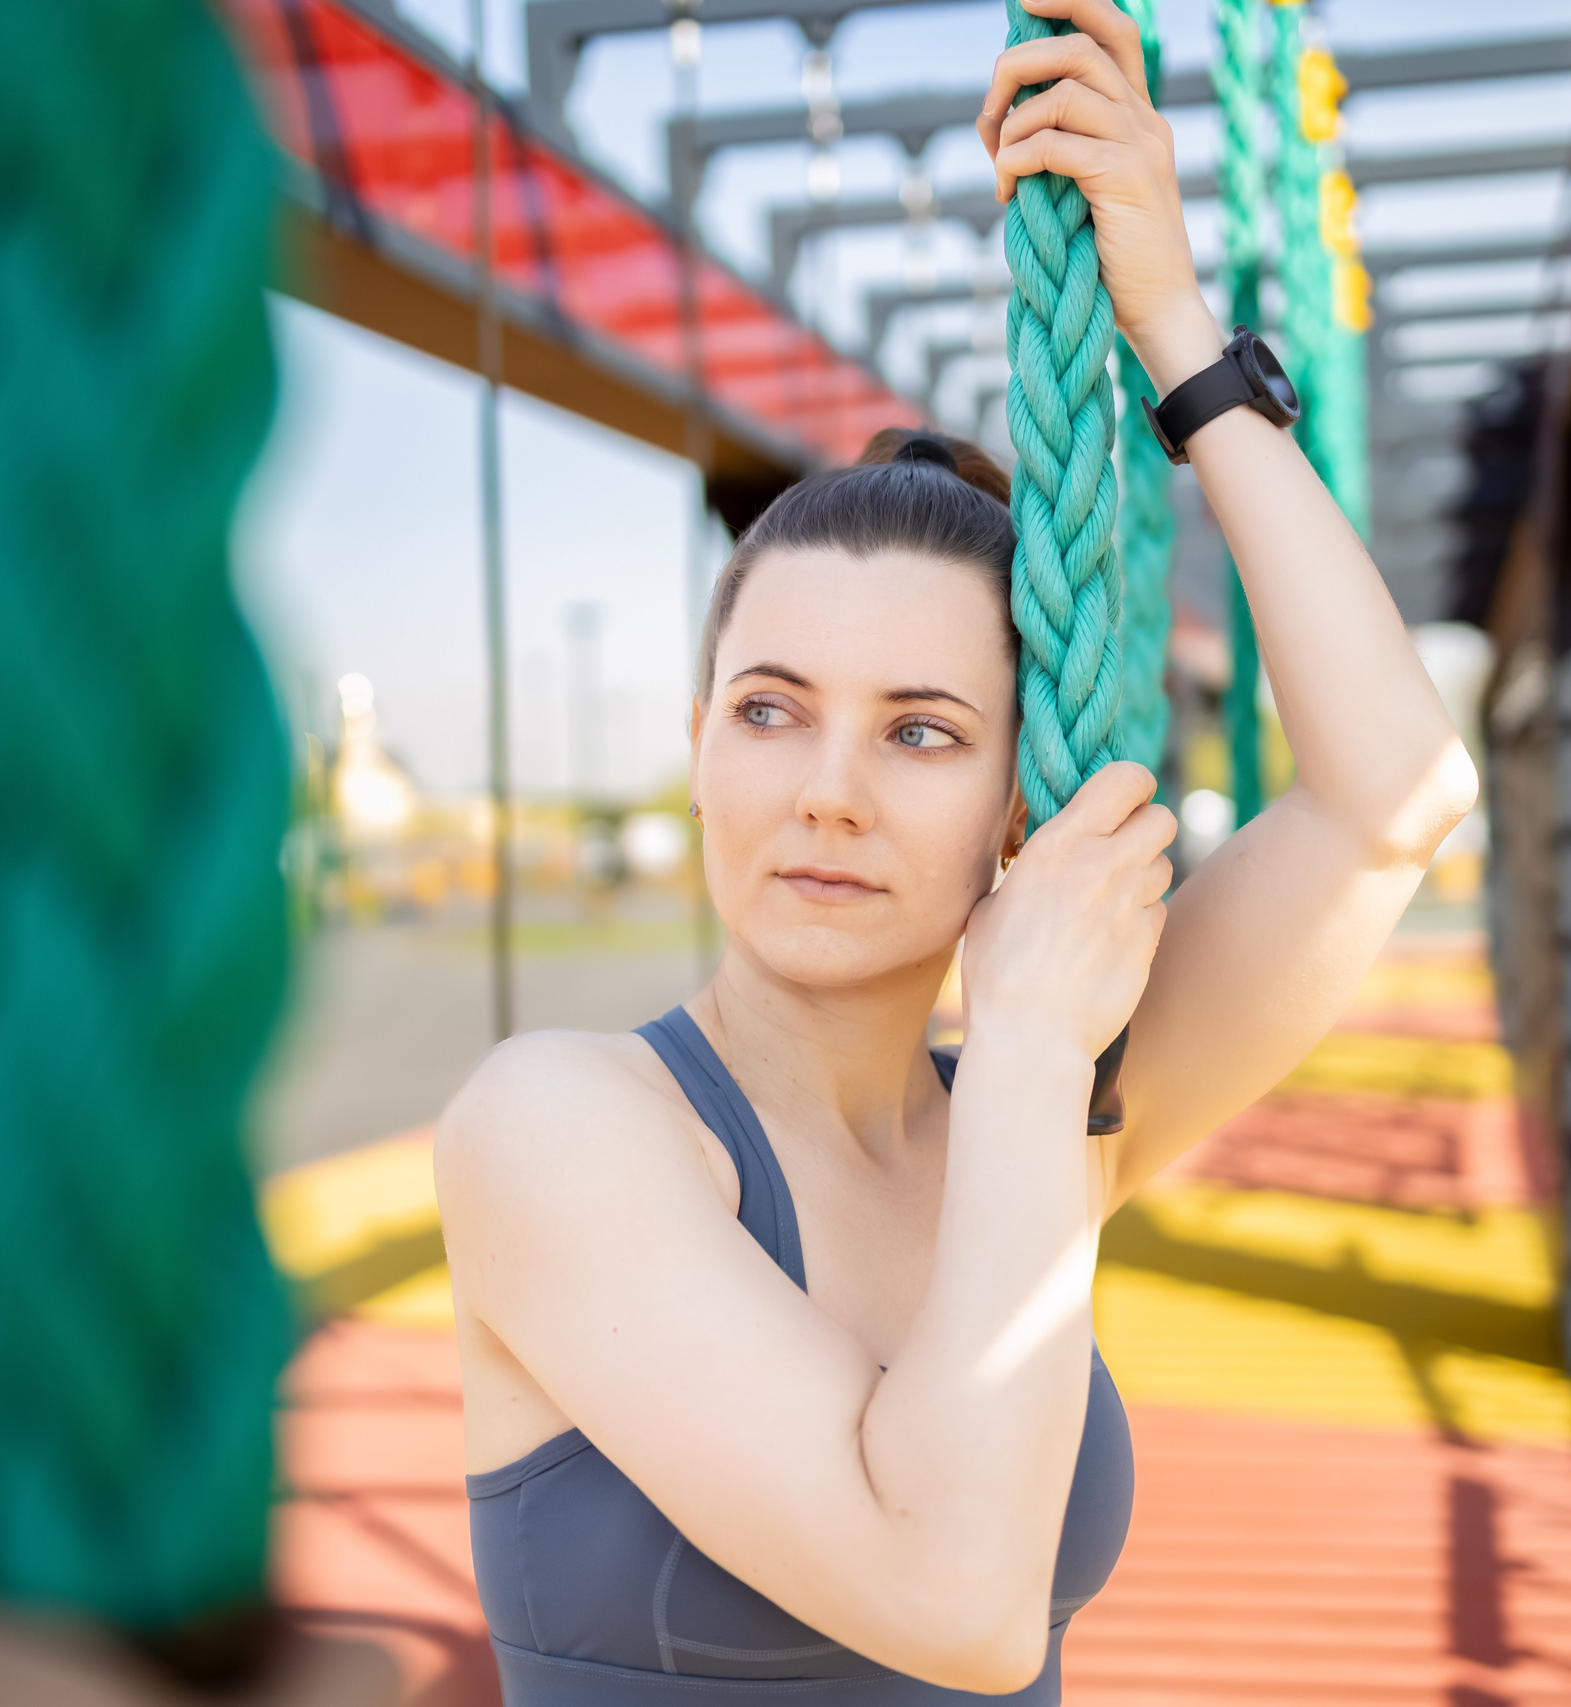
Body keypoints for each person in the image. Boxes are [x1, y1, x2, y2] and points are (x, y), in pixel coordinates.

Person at [433, 0, 1480, 1696]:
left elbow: (1397, 794)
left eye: (920, 731)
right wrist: (1029, 1064)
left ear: (1015, 809)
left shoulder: (1037, 1114)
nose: (828, 790)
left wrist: (1175, 332)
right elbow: (958, 1607)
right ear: (698, 752)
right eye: (770, 710)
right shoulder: (560, 1128)